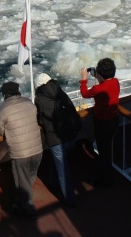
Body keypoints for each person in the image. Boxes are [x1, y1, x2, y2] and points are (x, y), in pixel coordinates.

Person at [0, 81, 43, 218]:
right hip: (38, 150)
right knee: (29, 177)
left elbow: (1, 130)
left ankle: (29, 210)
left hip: (20, 153)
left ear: (5, 95)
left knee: (22, 182)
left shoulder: (3, 108)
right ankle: (18, 202)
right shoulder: (29, 103)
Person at [34, 73, 79, 206]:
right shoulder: (60, 91)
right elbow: (70, 108)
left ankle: (70, 200)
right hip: (71, 134)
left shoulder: (39, 99)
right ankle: (53, 183)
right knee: (59, 162)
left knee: (63, 171)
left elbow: (40, 118)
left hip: (56, 139)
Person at [79, 57, 120, 187]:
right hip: (113, 120)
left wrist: (84, 79)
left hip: (102, 122)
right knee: (106, 148)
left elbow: (85, 94)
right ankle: (106, 175)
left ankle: (105, 180)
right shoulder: (115, 82)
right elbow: (106, 85)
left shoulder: (98, 88)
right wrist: (98, 77)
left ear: (100, 75)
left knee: (104, 152)